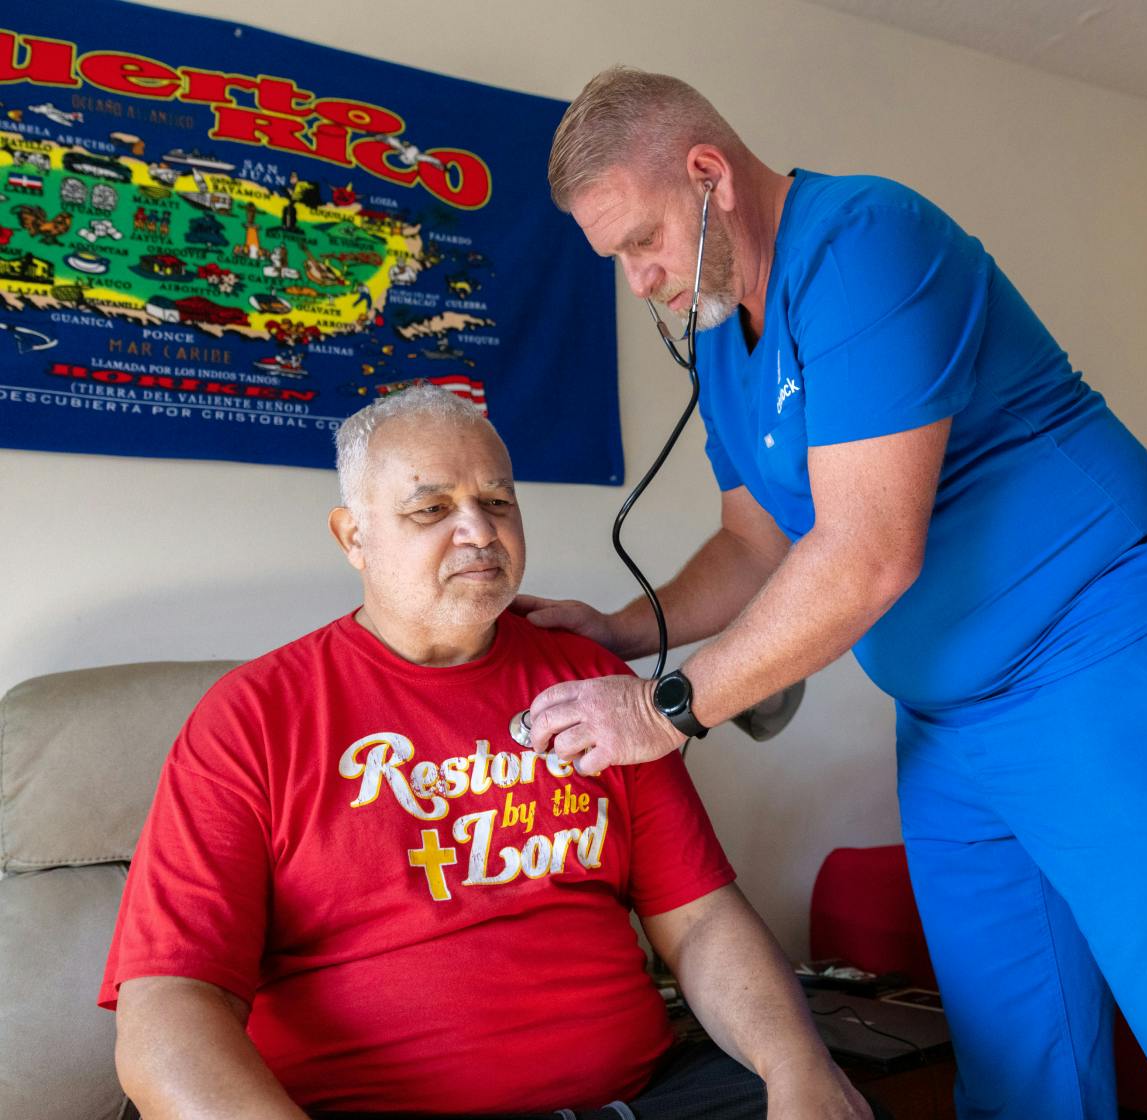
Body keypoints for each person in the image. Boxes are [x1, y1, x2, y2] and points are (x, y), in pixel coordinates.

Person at [520, 67, 1147, 1119]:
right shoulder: (719, 338)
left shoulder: (864, 241)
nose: (640, 278)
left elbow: (865, 554)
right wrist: (615, 629)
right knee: (1019, 1073)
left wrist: (665, 709)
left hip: (1101, 659)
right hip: (949, 722)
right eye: (619, 261)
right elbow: (752, 545)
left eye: (641, 241)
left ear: (707, 177)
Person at [99, 385, 871, 1120]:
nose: (479, 530)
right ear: (352, 536)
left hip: (638, 1098)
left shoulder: (597, 685)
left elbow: (700, 920)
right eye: (431, 508)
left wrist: (798, 1067)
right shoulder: (252, 719)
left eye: (498, 501)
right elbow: (169, 1003)